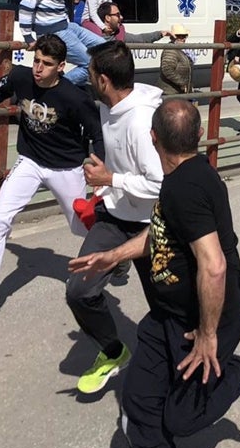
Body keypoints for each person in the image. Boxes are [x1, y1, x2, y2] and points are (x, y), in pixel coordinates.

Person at [67, 100, 240, 448]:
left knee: (180, 418)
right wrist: (114, 256)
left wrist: (208, 335)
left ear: (153, 137)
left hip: (202, 325)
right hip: (166, 319)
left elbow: (214, 266)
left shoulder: (185, 189)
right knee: (140, 412)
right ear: (200, 136)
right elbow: (162, 233)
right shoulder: (188, 177)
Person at [0, 34, 103, 327]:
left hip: (66, 168)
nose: (38, 69)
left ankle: (114, 251)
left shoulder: (75, 97)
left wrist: (102, 171)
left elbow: (98, 132)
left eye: (47, 64)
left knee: (80, 226)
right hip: (31, 162)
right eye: (36, 61)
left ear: (61, 66)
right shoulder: (21, 78)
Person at [65, 41, 165, 393]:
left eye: (90, 74)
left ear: (103, 80)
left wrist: (110, 179)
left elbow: (160, 183)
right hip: (116, 217)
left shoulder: (140, 121)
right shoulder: (111, 105)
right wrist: (110, 175)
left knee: (167, 311)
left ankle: (187, 376)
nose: (87, 78)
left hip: (153, 227)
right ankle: (113, 351)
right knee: (78, 290)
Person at [85, 0, 169, 44]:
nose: (121, 17)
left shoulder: (119, 35)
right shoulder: (89, 36)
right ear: (107, 18)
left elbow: (140, 39)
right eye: (117, 15)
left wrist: (160, 34)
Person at [158, 24, 195, 96]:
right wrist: (182, 83)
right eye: (178, 36)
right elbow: (167, 69)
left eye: (184, 36)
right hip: (170, 92)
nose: (182, 38)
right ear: (172, 37)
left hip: (177, 91)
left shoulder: (182, 50)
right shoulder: (171, 50)